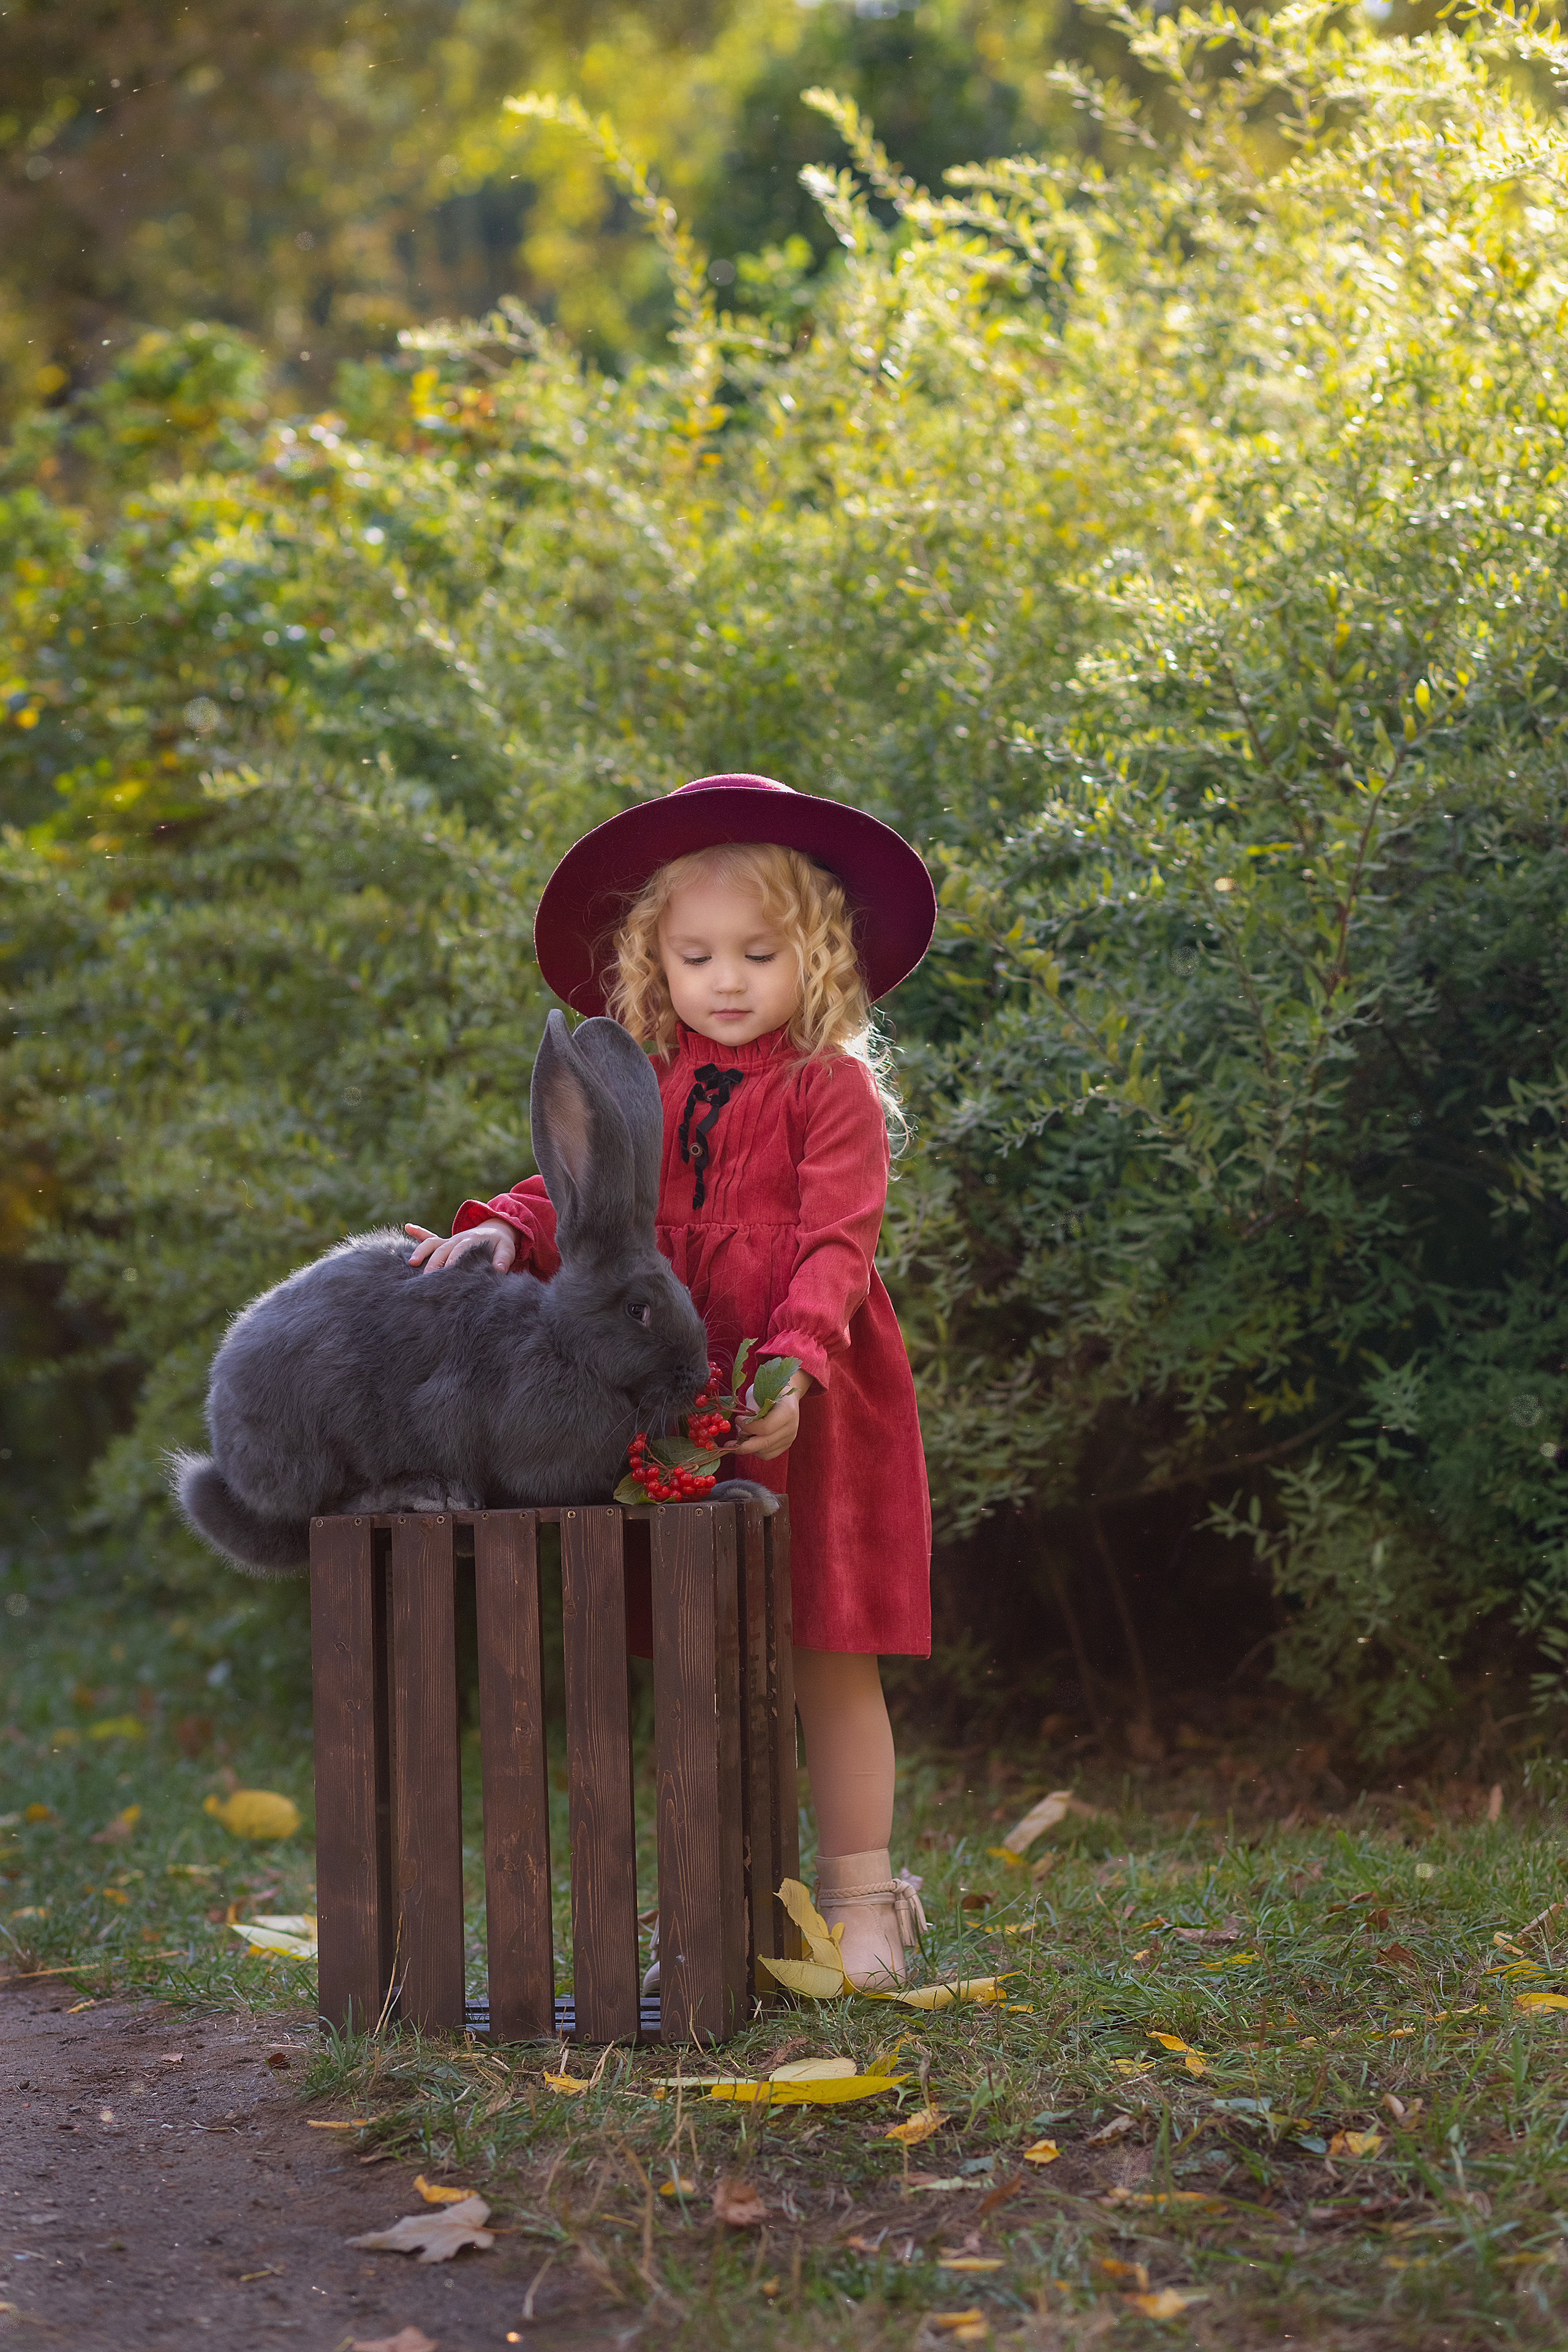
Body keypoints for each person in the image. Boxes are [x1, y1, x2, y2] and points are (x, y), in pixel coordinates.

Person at [407, 773, 937, 1988]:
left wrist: (795, 1361)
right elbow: (585, 1200)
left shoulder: (827, 1087)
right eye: (696, 956)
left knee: (820, 1652)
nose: (728, 980)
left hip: (800, 1400)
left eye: (759, 951)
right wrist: (504, 1228)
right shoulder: (643, 1074)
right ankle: (710, 1901)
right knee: (700, 1656)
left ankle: (865, 1903)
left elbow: (834, 1246)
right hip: (669, 1402)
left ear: (818, 957)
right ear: (655, 963)